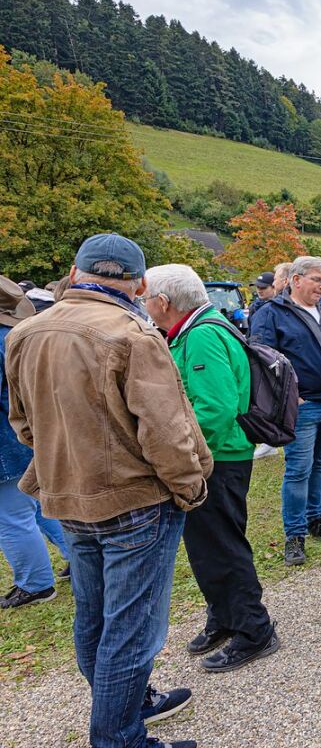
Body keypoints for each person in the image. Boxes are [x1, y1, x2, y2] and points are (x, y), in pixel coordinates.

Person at [6, 233, 211, 748]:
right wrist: (190, 487)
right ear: (139, 284)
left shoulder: (26, 332)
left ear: (75, 274)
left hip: (67, 493)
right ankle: (120, 736)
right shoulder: (134, 334)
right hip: (133, 499)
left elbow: (24, 423)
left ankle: (129, 702)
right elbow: (165, 431)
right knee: (131, 626)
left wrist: (62, 459)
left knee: (94, 614)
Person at [145, 264, 279, 673]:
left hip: (218, 458)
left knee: (222, 544)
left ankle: (254, 630)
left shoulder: (202, 334)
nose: (143, 303)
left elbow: (215, 410)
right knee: (205, 546)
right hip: (213, 456)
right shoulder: (197, 327)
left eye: (145, 296)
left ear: (163, 302)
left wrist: (176, 451)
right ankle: (223, 616)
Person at [249, 256, 321, 566]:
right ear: (296, 279)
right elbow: (261, 360)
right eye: (317, 279)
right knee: (298, 469)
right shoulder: (272, 314)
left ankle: (315, 519)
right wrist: (289, 398)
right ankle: (295, 534)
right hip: (302, 406)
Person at [0, 277, 68, 609]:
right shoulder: (16, 335)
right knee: (40, 506)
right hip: (24, 434)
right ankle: (78, 561)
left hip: (4, 443)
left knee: (12, 516)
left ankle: (36, 583)